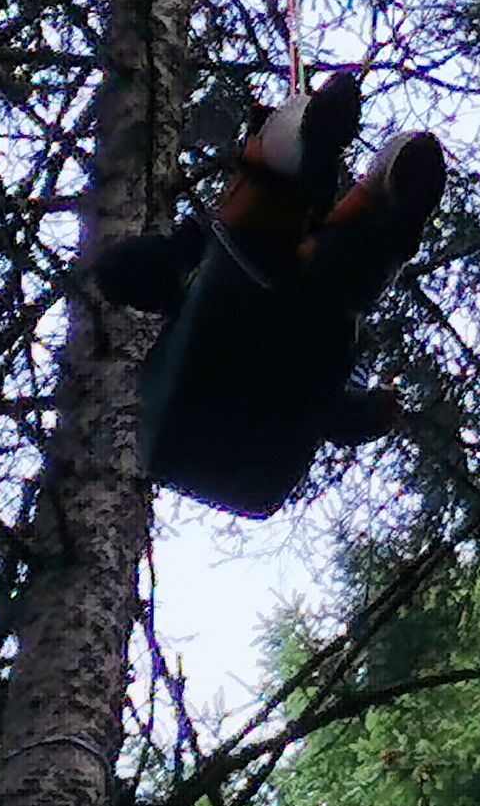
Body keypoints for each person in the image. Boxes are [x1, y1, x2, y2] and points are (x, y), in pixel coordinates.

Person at [92, 67, 447, 519]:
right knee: (322, 282)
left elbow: (124, 273)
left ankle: (305, 171)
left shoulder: (209, 261)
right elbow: (338, 413)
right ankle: (354, 201)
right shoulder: (216, 265)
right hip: (248, 379)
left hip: (223, 379)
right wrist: (367, 414)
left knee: (301, 270)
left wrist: (365, 414)